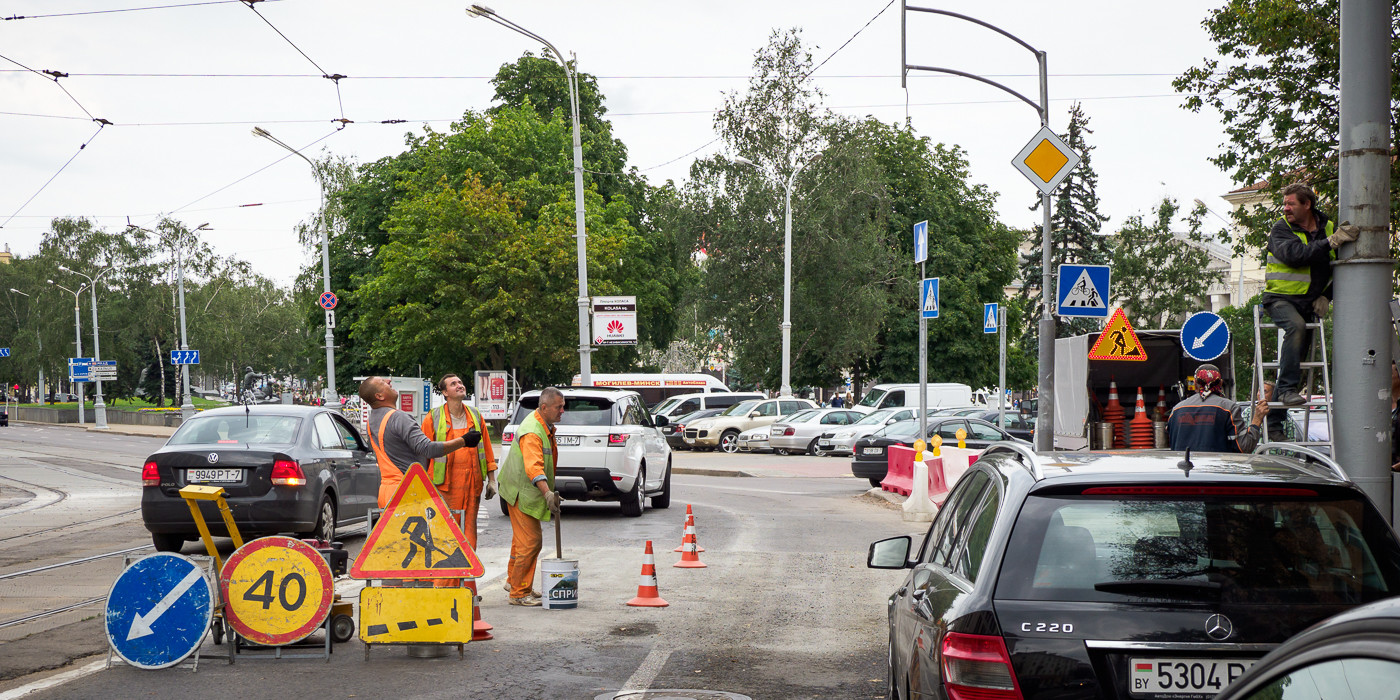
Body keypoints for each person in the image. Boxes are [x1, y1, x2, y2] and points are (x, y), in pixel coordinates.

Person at [1262, 183, 1358, 432]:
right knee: (1296, 327)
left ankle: (1274, 424)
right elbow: (1296, 255)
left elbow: (1338, 267)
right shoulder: (1281, 229)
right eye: (1285, 204)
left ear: (1307, 204)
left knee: (1294, 361)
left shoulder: (1326, 226)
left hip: (1308, 302)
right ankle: (1285, 393)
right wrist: (1331, 242)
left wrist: (1327, 295)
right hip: (1280, 298)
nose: (1286, 208)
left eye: (1291, 203)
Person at [419, 373, 496, 588]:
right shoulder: (433, 418)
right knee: (445, 538)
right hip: (445, 487)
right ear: (445, 393)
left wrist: (491, 478)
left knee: (469, 538)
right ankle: (442, 588)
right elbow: (424, 453)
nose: (459, 385)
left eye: (460, 382)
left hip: (472, 485)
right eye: (453, 384)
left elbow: (487, 449)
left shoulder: (475, 415)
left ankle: (466, 589)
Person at [497, 386, 565, 607]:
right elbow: (534, 468)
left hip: (520, 489)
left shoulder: (543, 425)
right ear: (544, 407)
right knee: (531, 542)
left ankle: (513, 581)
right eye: (559, 407)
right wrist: (547, 494)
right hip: (520, 492)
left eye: (563, 406)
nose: (563, 411)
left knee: (521, 541)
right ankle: (519, 593)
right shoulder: (533, 431)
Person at [358, 376, 469, 508]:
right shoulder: (399, 417)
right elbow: (427, 449)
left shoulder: (371, 422)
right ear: (380, 396)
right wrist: (464, 440)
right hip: (408, 492)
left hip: (386, 492)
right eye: (383, 382)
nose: (389, 381)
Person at [1167, 364, 1269, 452]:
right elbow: (1244, 447)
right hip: (1214, 472)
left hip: (1184, 472)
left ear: (1195, 384)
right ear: (1220, 383)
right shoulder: (1229, 408)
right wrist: (1257, 419)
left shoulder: (1176, 410)